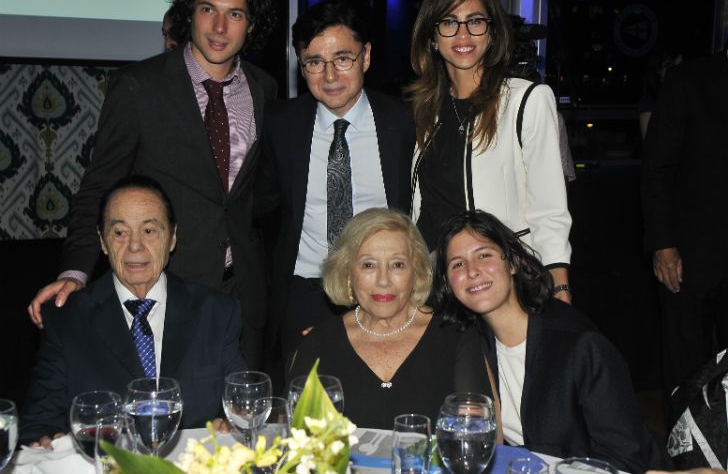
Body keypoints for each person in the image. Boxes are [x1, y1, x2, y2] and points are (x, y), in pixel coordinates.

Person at [27, 0, 278, 369]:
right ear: (189, 14)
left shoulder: (264, 89)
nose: (219, 27)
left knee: (242, 418)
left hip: (243, 295)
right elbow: (99, 188)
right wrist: (75, 271)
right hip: (165, 290)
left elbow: (256, 195)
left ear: (251, 24)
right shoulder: (137, 87)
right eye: (208, 9)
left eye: (235, 14)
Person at [432, 210, 670, 472]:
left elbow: (625, 460)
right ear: (448, 282)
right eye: (457, 264)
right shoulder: (471, 340)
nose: (472, 271)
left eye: (484, 255)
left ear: (513, 263)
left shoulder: (580, 347)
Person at [20, 175, 247, 445]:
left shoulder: (217, 313)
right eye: (120, 232)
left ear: (172, 238)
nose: (135, 245)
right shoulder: (67, 318)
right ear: (102, 241)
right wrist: (47, 440)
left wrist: (234, 424)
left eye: (149, 231)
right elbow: (38, 423)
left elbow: (241, 408)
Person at [255, 2, 415, 362]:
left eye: (343, 58)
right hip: (305, 290)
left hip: (385, 286)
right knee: (307, 405)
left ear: (366, 57)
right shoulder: (281, 124)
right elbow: (262, 204)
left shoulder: (405, 121)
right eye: (314, 62)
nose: (329, 76)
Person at [407, 0, 572, 303]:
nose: (463, 34)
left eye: (475, 21)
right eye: (449, 22)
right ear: (431, 37)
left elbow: (549, 210)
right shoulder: (423, 109)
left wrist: (560, 286)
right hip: (434, 283)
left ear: (493, 33)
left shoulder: (526, 100)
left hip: (500, 284)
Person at [288, 208, 490, 429]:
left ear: (417, 272)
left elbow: (476, 438)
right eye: (368, 265)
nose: (383, 280)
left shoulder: (456, 336)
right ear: (347, 273)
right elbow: (293, 440)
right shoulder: (318, 343)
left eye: (397, 264)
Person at [641, 49, 728, 393]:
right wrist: (662, 244)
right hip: (690, 253)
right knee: (687, 365)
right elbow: (657, 168)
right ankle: (685, 444)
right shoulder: (689, 79)